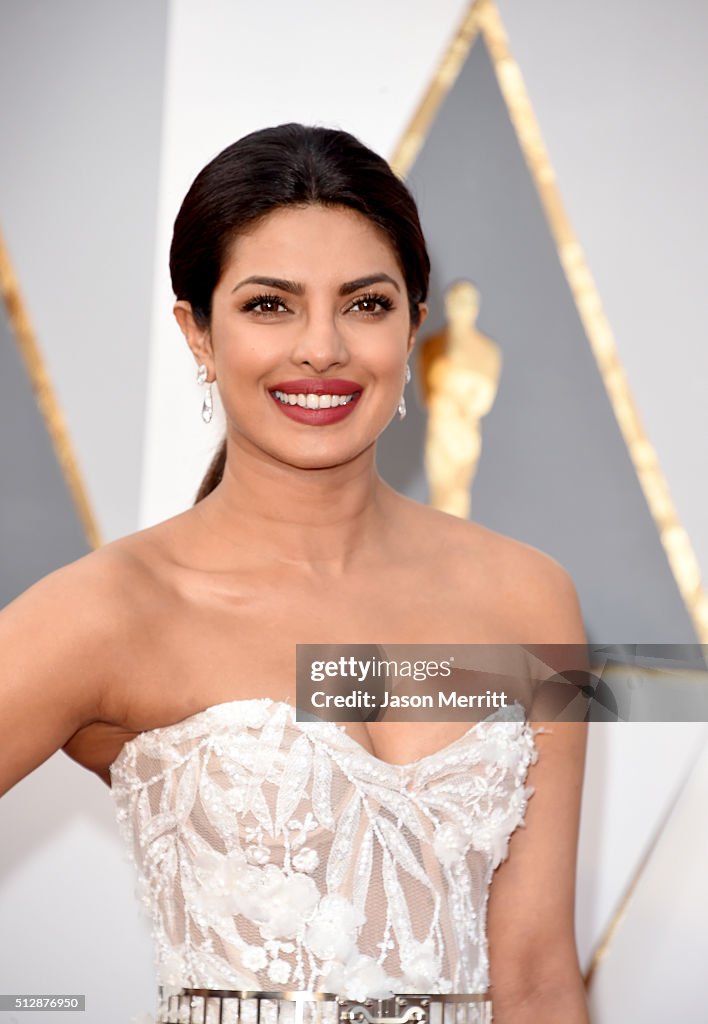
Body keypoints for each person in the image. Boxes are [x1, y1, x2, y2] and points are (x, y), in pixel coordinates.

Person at [0, 123, 589, 1024]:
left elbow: (539, 973)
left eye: (365, 304)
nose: (322, 348)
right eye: (270, 305)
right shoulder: (116, 609)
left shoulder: (526, 598)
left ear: (414, 326)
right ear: (197, 332)